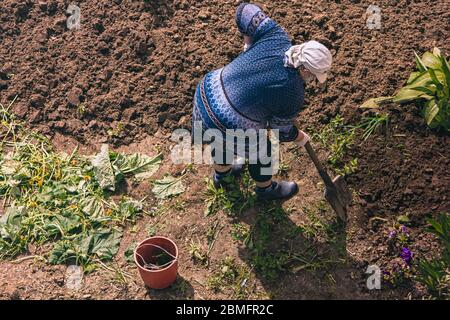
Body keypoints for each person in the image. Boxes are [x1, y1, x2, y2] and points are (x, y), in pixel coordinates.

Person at [192, 2, 332, 201]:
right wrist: (299, 136)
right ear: (306, 70)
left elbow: (245, 10)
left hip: (206, 93)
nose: (312, 81)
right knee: (263, 149)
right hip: (230, 120)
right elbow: (279, 132)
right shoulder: (292, 92)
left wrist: (249, 43)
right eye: (313, 76)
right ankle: (266, 190)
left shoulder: (277, 37)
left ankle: (222, 176)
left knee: (221, 139)